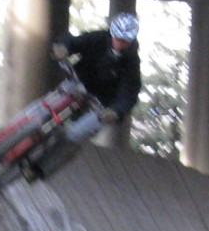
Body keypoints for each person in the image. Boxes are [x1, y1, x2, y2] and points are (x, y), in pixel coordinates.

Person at [50, 12, 142, 145]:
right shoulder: (99, 38)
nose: (119, 43)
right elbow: (76, 42)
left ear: (131, 40)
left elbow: (129, 93)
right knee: (48, 105)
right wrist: (63, 47)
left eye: (124, 41)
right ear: (112, 33)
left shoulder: (132, 63)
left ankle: (53, 158)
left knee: (73, 135)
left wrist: (115, 111)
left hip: (98, 104)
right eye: (116, 37)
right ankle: (24, 126)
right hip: (77, 85)